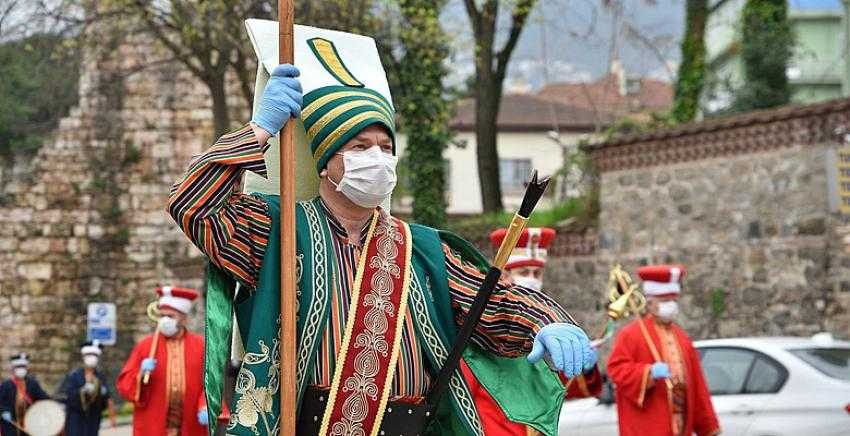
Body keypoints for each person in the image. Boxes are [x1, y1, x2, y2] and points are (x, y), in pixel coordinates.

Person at [168, 60, 596, 435]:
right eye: (359, 147)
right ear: (326, 162)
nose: (377, 158)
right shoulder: (276, 229)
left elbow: (491, 302)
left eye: (386, 148)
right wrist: (260, 130)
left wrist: (546, 321)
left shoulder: (422, 248)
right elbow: (192, 204)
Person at [457, 228, 603, 435]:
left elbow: (558, 388)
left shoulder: (549, 321)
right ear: (505, 274)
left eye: (537, 273)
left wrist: (582, 368)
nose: (532, 279)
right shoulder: (482, 319)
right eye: (524, 272)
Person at [607, 265, 720, 436]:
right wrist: (648, 373)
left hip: (680, 425)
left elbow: (697, 386)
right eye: (665, 301)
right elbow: (616, 370)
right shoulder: (631, 334)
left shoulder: (682, 338)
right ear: (650, 303)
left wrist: (708, 426)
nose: (671, 306)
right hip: (647, 424)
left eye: (673, 301)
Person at [116, 286, 208, 436]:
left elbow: (211, 383)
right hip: (153, 425)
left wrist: (205, 405)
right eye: (162, 316)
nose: (165, 320)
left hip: (190, 425)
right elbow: (124, 384)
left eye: (171, 316)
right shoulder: (145, 346)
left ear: (184, 318)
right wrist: (140, 374)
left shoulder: (201, 346)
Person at [57, 340, 116, 436]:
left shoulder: (100, 376)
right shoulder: (74, 376)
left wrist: (111, 416)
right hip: (75, 419)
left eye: (94, 355)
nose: (92, 358)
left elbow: (107, 398)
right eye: (89, 355)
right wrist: (83, 391)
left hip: (93, 418)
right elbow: (64, 396)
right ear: (83, 357)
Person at [0, 353, 50, 436]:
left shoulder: (33, 384)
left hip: (29, 424)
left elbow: (43, 398)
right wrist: (4, 411)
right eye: (18, 367)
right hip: (11, 424)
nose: (21, 369)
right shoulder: (6, 385)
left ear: (26, 368)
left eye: (23, 367)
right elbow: (1, 402)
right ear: (13, 368)